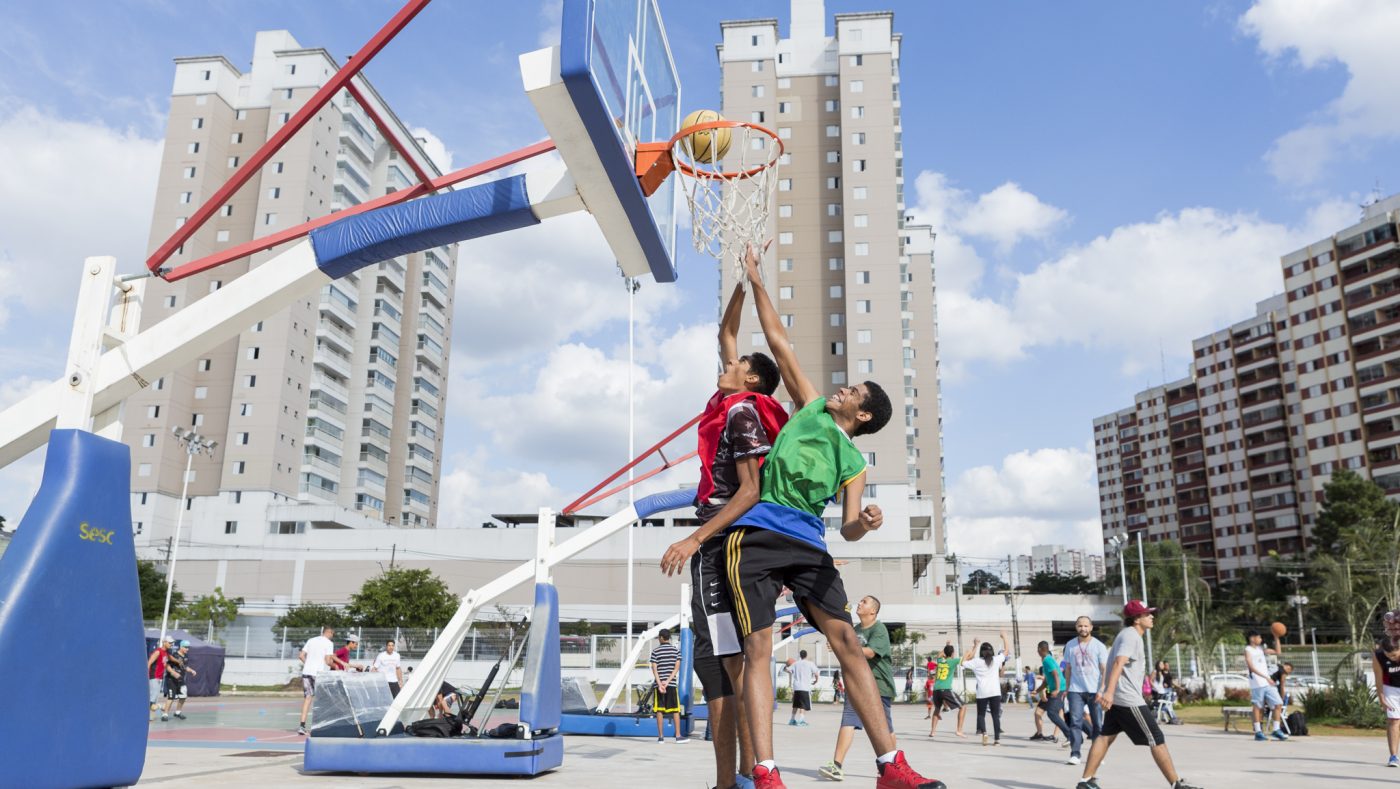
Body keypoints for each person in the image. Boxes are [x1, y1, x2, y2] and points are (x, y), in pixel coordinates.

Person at [723, 246, 941, 789]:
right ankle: (768, 773)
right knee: (759, 648)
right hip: (756, 532)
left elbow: (845, 527)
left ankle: (891, 767)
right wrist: (756, 280)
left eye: (855, 392)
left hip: (808, 544)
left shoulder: (853, 463)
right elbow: (779, 341)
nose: (844, 388)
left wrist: (864, 525)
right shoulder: (812, 406)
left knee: (848, 642)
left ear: (862, 415)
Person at [660, 279, 785, 789]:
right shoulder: (735, 402)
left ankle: (746, 779)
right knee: (728, 667)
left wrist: (694, 539)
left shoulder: (740, 411)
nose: (726, 362)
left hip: (723, 544)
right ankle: (735, 779)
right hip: (726, 543)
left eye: (735, 365)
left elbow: (750, 490)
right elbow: (726, 331)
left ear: (750, 378)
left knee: (731, 669)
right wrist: (743, 282)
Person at [1075, 601, 1202, 789]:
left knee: (1105, 736)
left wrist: (1107, 691)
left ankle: (1085, 781)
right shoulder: (1131, 636)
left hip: (1119, 698)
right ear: (1136, 619)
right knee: (1156, 738)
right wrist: (1108, 692)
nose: (1151, 617)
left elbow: (1112, 666)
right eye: (1147, 614)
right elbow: (1118, 663)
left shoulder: (1127, 635)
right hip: (1127, 699)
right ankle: (1176, 784)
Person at [818, 596, 897, 782]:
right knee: (848, 720)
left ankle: (892, 766)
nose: (860, 603)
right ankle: (836, 766)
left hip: (878, 685)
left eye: (865, 602)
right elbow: (848, 652)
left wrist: (844, 647)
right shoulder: (855, 629)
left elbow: (869, 652)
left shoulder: (879, 629)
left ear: (873, 611)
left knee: (885, 729)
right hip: (857, 683)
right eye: (860, 601)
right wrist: (838, 645)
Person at [1062, 616, 1109, 765]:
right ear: (1076, 627)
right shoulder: (1070, 645)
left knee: (1097, 724)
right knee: (1075, 722)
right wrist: (1067, 688)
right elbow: (1068, 668)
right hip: (1075, 690)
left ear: (1091, 627)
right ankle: (1075, 754)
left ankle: (1097, 755)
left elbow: (1104, 669)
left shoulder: (1099, 646)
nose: (1083, 629)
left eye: (1086, 626)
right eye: (1080, 626)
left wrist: (1102, 689)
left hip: (1095, 690)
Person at [1244, 629, 1289, 742]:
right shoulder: (1248, 650)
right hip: (1257, 683)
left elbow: (1278, 652)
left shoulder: (1260, 650)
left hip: (1267, 682)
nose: (1260, 639)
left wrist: (1276, 637)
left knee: (1278, 703)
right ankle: (1258, 732)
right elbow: (1251, 667)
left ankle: (1276, 729)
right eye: (1259, 637)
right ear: (1252, 638)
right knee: (1258, 707)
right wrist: (1266, 677)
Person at [969, 632, 1009, 747]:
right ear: (991, 651)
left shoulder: (977, 661)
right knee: (995, 716)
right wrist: (1005, 637)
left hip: (982, 692)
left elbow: (967, 660)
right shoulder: (996, 660)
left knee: (981, 715)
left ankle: (985, 733)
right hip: (995, 692)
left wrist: (975, 645)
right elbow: (1006, 651)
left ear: (981, 651)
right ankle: (997, 740)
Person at [650, 628, 688, 744]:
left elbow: (654, 669)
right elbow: (677, 668)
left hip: (659, 685)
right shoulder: (676, 651)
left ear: (661, 638)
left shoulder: (655, 651)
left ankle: (661, 737)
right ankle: (678, 736)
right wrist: (667, 681)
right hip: (671, 685)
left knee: (659, 710)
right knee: (675, 710)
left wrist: (660, 683)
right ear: (669, 638)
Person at [298, 625, 336, 735]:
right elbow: (328, 661)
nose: (332, 637)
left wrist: (308, 664)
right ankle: (320, 726)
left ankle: (302, 726)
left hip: (307, 672)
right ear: (329, 633)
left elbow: (301, 655)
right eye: (332, 635)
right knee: (322, 699)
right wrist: (335, 666)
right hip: (318, 674)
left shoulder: (311, 640)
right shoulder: (329, 643)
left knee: (307, 698)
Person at [1033, 640, 1072, 747]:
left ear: (1040, 650)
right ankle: (1071, 735)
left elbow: (1056, 674)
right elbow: (1047, 680)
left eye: (1037, 649)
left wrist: (1057, 689)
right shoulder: (1048, 659)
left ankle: (1070, 734)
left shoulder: (1047, 661)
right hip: (1060, 688)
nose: (1037, 651)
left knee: (1052, 713)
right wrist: (1037, 690)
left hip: (1059, 689)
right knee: (1055, 713)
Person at [928, 643, 967, 738]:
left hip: (936, 689)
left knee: (937, 709)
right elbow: (964, 660)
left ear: (945, 653)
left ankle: (932, 732)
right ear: (953, 653)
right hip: (945, 689)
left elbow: (939, 654)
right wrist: (972, 649)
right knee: (963, 707)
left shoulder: (940, 660)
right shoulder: (953, 661)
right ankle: (959, 730)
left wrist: (946, 646)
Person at [1373, 636, 1400, 767]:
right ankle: (1393, 756)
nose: (1391, 658)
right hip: (1391, 688)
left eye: (1394, 655)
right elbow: (1378, 679)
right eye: (1388, 655)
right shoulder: (1378, 656)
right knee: (1393, 720)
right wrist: (1381, 698)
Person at [161, 640, 197, 721]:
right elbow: (166, 665)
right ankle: (165, 714)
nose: (187, 649)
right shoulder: (174, 655)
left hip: (180, 680)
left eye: (188, 647)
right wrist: (173, 672)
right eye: (185, 647)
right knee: (171, 697)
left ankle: (177, 712)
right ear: (181, 647)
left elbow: (184, 666)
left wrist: (191, 670)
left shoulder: (186, 656)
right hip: (171, 679)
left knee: (183, 696)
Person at [789, 650, 819, 726]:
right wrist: (816, 680)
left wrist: (793, 673)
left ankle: (792, 720)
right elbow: (816, 672)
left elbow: (787, 669)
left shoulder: (795, 663)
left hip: (796, 687)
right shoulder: (810, 663)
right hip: (805, 687)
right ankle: (801, 720)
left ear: (800, 655)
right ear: (806, 655)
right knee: (803, 705)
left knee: (796, 704)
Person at [146, 636, 172, 722]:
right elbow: (149, 662)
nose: (171, 644)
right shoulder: (158, 651)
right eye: (169, 642)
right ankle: (160, 707)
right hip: (154, 677)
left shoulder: (166, 653)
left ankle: (150, 716)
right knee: (152, 698)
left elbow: (165, 664)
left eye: (172, 643)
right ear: (164, 642)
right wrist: (146, 674)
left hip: (160, 677)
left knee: (155, 697)